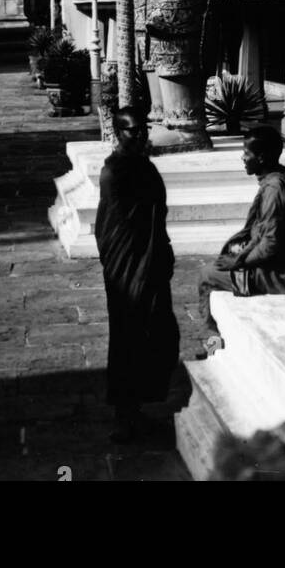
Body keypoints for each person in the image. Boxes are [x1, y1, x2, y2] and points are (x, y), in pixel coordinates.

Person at [94, 110, 180, 442]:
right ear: (117, 132)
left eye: (143, 129)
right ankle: (126, 413)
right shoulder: (114, 172)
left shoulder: (143, 166)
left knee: (159, 332)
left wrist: (163, 249)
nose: (140, 135)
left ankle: (138, 406)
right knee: (130, 334)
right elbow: (115, 226)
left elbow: (156, 217)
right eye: (132, 131)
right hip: (128, 263)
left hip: (150, 258)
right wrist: (136, 264)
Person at [198, 125, 285, 332]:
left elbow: (271, 244)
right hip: (283, 265)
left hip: (281, 274)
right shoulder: (280, 177)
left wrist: (238, 261)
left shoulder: (274, 189)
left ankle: (212, 347)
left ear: (261, 157)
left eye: (246, 153)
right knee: (221, 260)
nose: (243, 158)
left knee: (207, 276)